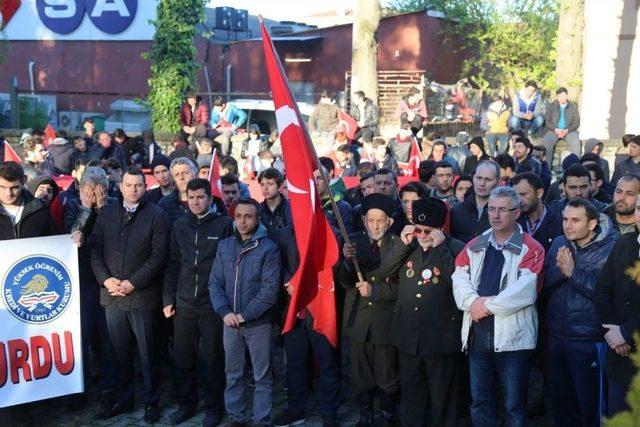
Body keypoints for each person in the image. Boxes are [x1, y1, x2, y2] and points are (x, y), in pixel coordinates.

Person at [452, 186, 545, 427]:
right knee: (480, 402)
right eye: (492, 209)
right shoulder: (475, 244)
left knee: (513, 405)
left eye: (502, 210)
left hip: (513, 341)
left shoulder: (532, 248)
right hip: (478, 338)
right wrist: (472, 302)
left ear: (516, 213)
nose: (495, 215)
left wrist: (484, 305)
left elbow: (525, 292)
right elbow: (459, 277)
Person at [90, 167, 169, 423]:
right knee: (118, 353)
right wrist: (106, 279)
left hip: (143, 297)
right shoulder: (107, 213)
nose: (133, 189)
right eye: (128, 185)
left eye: (138, 185)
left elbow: (159, 257)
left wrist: (133, 283)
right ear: (120, 186)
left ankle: (151, 402)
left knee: (148, 354)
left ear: (145, 187)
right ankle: (124, 400)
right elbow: (95, 250)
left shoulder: (157, 215)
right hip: (112, 296)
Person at [380, 197, 465, 427]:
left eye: (428, 231)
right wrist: (403, 244)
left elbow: (457, 285)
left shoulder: (455, 249)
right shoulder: (408, 246)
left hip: (440, 339)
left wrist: (440, 249)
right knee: (412, 396)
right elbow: (385, 271)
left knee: (442, 398)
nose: (423, 236)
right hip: (409, 338)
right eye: (418, 230)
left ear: (440, 229)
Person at [163, 178, 233, 426]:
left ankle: (214, 407)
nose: (195, 202)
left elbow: (230, 267)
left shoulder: (224, 225)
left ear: (210, 198)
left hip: (212, 305)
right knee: (183, 358)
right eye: (191, 197)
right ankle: (186, 405)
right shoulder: (180, 225)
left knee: (213, 358)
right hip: (183, 304)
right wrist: (168, 298)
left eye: (200, 197)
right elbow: (172, 264)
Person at [543, 198, 616, 427]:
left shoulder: (612, 248)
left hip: (589, 340)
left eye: (575, 220)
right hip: (556, 338)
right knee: (561, 405)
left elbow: (608, 295)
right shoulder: (558, 243)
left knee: (590, 406)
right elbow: (542, 286)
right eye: (565, 219)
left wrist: (572, 273)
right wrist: (561, 270)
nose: (568, 225)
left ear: (592, 224)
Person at [209, 198, 281, 427]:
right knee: (233, 375)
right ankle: (236, 419)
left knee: (262, 377)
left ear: (257, 219)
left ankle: (262, 420)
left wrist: (245, 315)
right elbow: (215, 283)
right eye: (238, 216)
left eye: (248, 216)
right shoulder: (225, 246)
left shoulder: (269, 248)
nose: (242, 221)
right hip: (230, 323)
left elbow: (270, 291)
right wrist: (224, 312)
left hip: (258, 325)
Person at [338, 193, 401, 426]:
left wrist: (375, 291)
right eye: (371, 220)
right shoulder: (352, 242)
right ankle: (366, 416)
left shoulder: (400, 245)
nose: (375, 226)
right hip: (359, 320)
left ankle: (388, 414)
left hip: (387, 321)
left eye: (380, 221)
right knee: (360, 372)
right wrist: (345, 261)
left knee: (388, 373)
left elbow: (402, 288)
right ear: (364, 220)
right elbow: (344, 282)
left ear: (389, 222)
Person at [65, 166, 116, 413]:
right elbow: (68, 237)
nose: (95, 194)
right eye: (90, 189)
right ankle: (79, 390)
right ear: (81, 187)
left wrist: (104, 208)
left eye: (101, 189)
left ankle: (108, 388)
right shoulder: (73, 205)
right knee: (82, 338)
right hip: (81, 280)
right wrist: (86, 210)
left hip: (108, 279)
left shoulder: (113, 205)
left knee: (108, 339)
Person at [595, 194, 640, 416]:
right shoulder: (625, 243)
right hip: (619, 357)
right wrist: (613, 331)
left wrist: (626, 332)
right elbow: (603, 289)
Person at [159, 157, 223, 227]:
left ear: (196, 174)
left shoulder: (215, 201)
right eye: (177, 175)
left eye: (185, 173)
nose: (181, 178)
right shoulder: (164, 204)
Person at [0, 161, 55, 239]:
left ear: (24, 180)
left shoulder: (40, 209)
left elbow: (54, 241)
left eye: (15, 187)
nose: (8, 193)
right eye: (2, 187)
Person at [450, 160, 499, 243]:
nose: (482, 183)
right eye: (479, 178)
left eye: (488, 179)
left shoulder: (503, 212)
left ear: (497, 182)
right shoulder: (456, 210)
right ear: (473, 178)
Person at [512, 172, 563, 253]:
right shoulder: (514, 222)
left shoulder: (559, 223)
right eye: (515, 196)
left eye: (523, 194)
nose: (519, 200)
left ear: (539, 193)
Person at [542, 87, 581, 168]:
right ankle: (546, 169)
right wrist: (556, 129)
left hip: (569, 131)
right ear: (557, 97)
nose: (561, 98)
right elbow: (547, 120)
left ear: (567, 96)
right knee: (547, 141)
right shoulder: (552, 106)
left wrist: (567, 130)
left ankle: (576, 168)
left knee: (575, 141)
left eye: (563, 95)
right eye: (559, 96)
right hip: (554, 130)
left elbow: (576, 122)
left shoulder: (573, 106)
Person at [258, 168, 291, 243]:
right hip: (265, 252)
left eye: (270, 184)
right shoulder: (257, 210)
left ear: (279, 186)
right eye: (262, 184)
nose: (265, 188)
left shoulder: (290, 210)